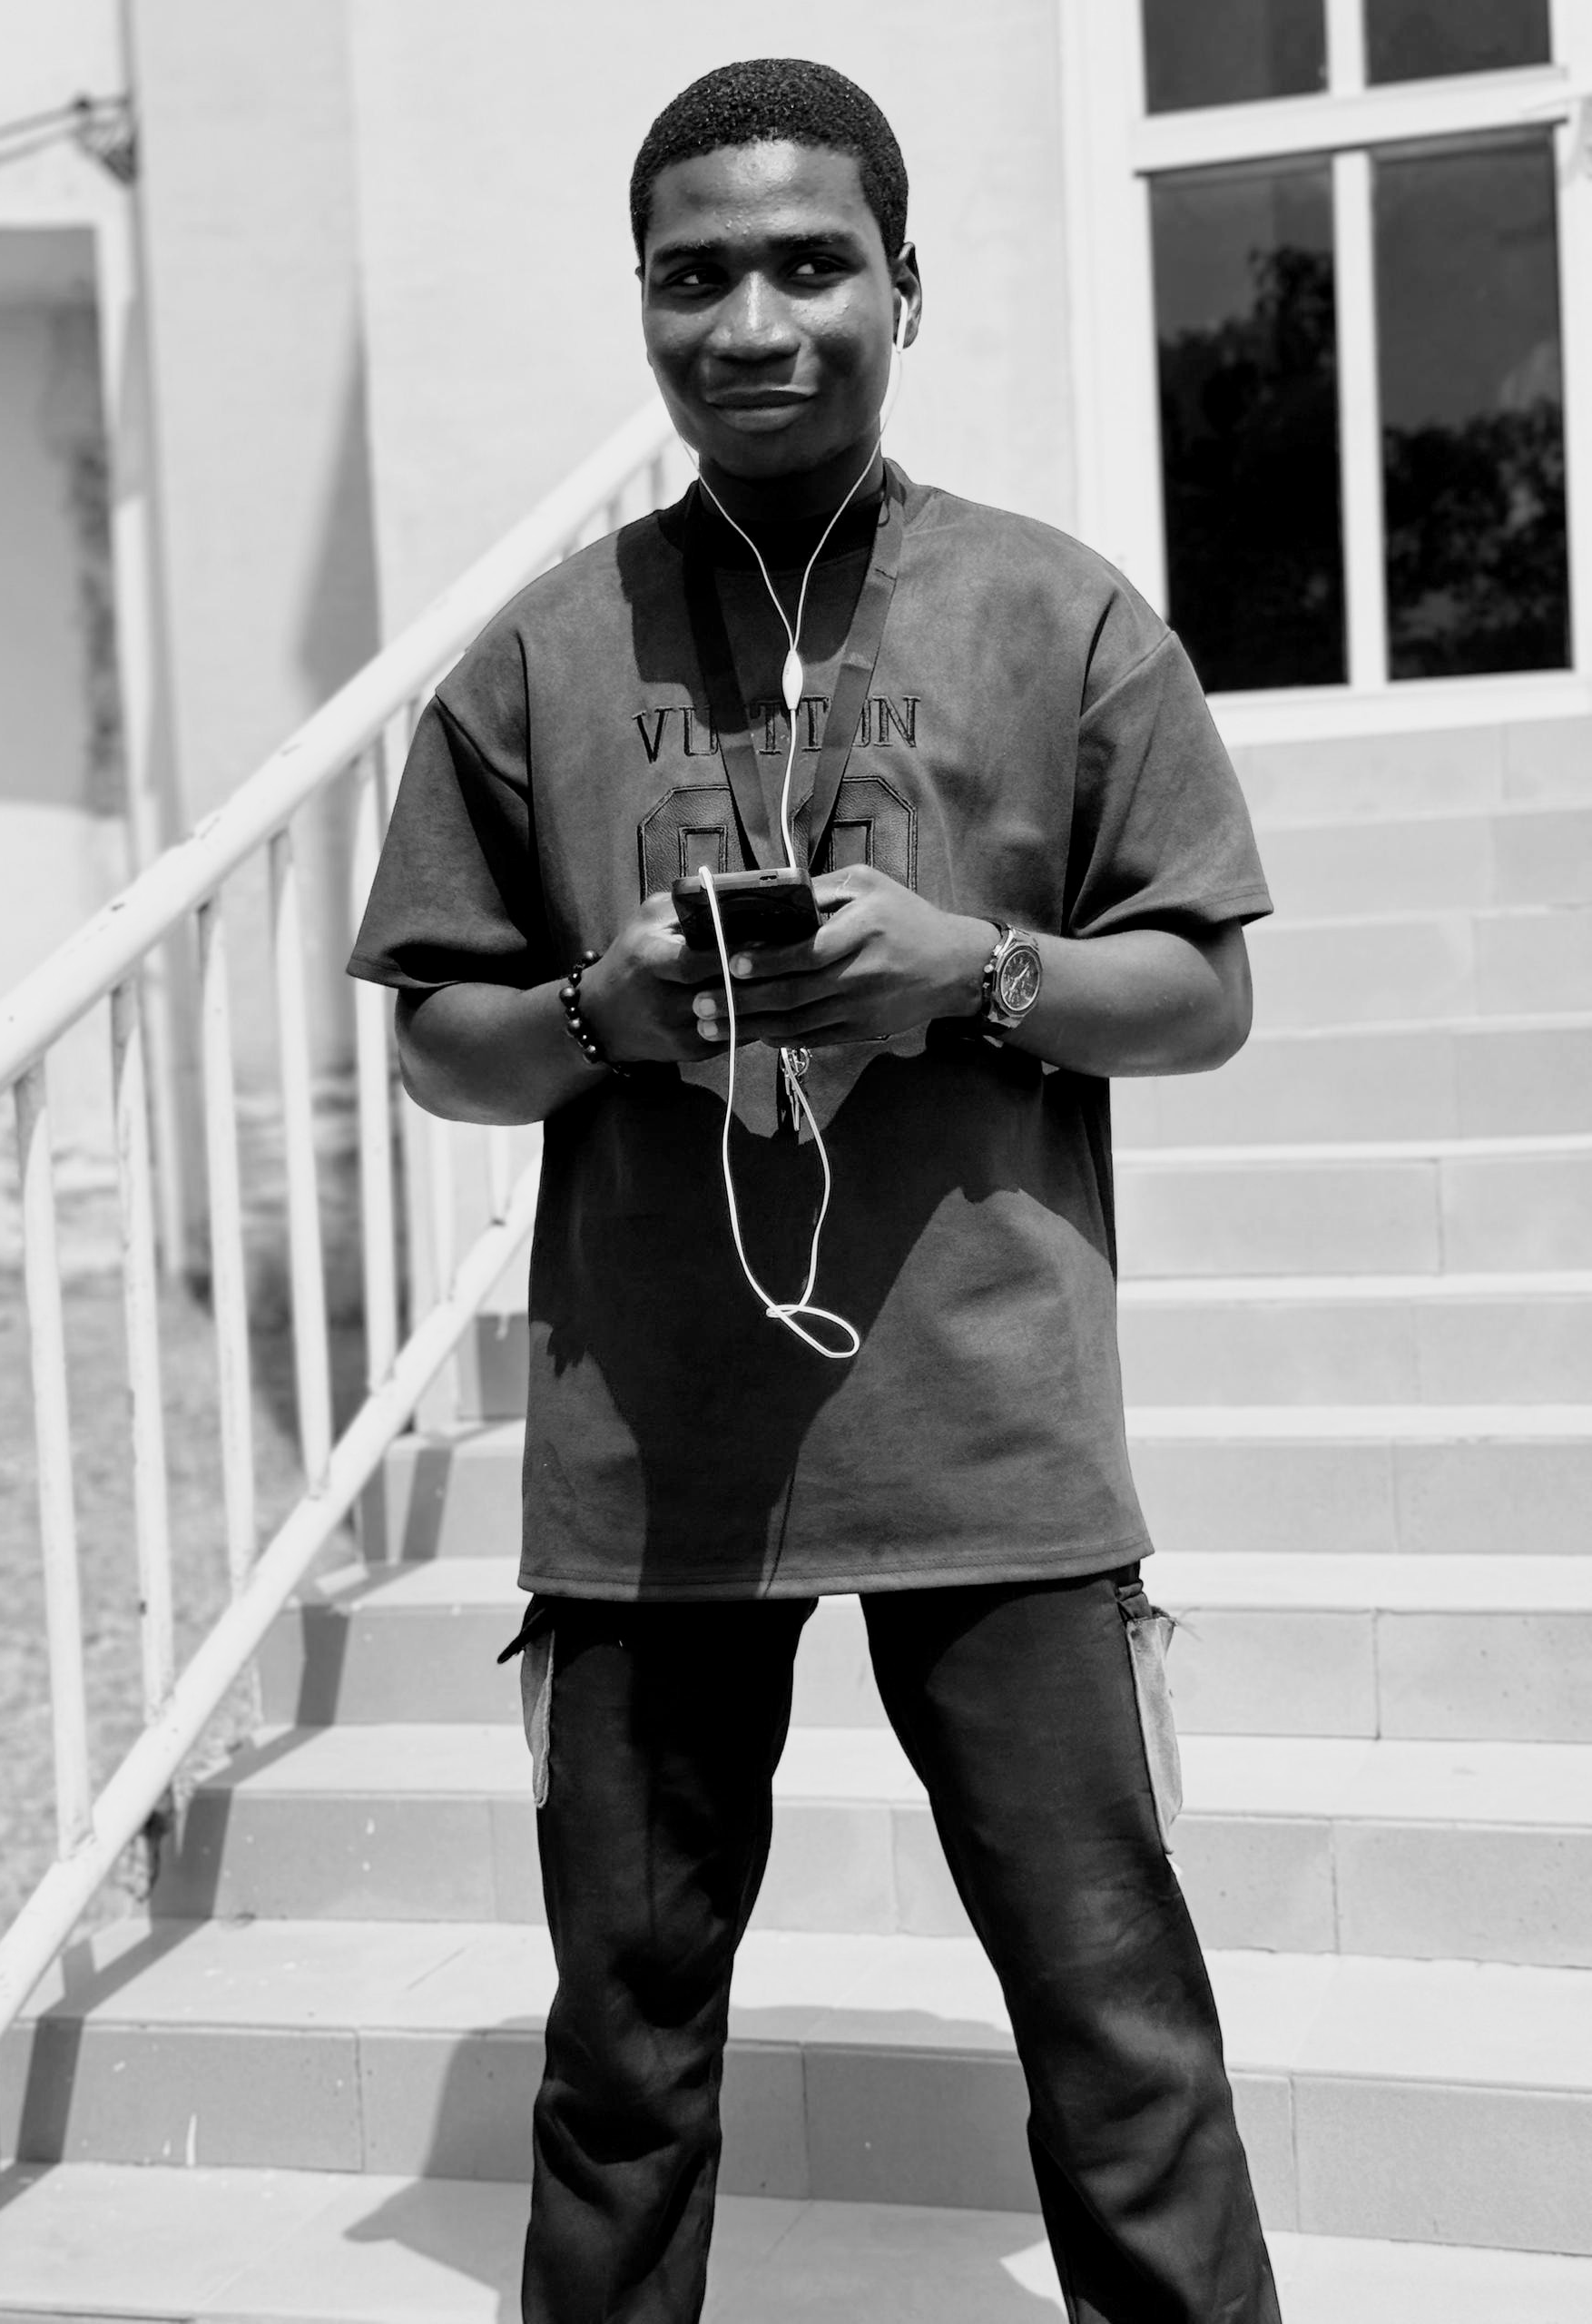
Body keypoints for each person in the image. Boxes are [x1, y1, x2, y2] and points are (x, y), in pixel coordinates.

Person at [349, 55, 1281, 2324]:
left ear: (905, 286)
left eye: (807, 264)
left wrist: (973, 968)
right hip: (651, 1460)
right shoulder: (540, 654)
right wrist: (608, 1015)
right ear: (642, 303)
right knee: (625, 2057)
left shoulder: (1059, 614)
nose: (750, 321)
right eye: (694, 277)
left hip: (995, 1436)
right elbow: (441, 1036)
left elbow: (1200, 994)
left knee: (1123, 2045)